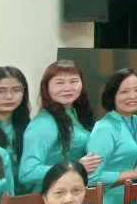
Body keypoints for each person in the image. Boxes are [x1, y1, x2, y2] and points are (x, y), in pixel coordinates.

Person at [19, 60, 99, 191]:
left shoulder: (77, 113)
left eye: (73, 81)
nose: (67, 88)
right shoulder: (43, 123)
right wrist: (73, 168)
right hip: (52, 197)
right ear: (46, 87)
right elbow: (27, 172)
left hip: (76, 192)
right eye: (59, 83)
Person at [86, 67, 137, 204]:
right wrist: (134, 174)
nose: (132, 96)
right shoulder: (104, 128)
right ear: (113, 95)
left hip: (132, 201)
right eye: (124, 92)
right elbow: (92, 178)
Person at [0, 65, 30, 185]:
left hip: (23, 192)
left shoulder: (28, 125)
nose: (9, 97)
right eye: (0, 91)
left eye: (16, 90)